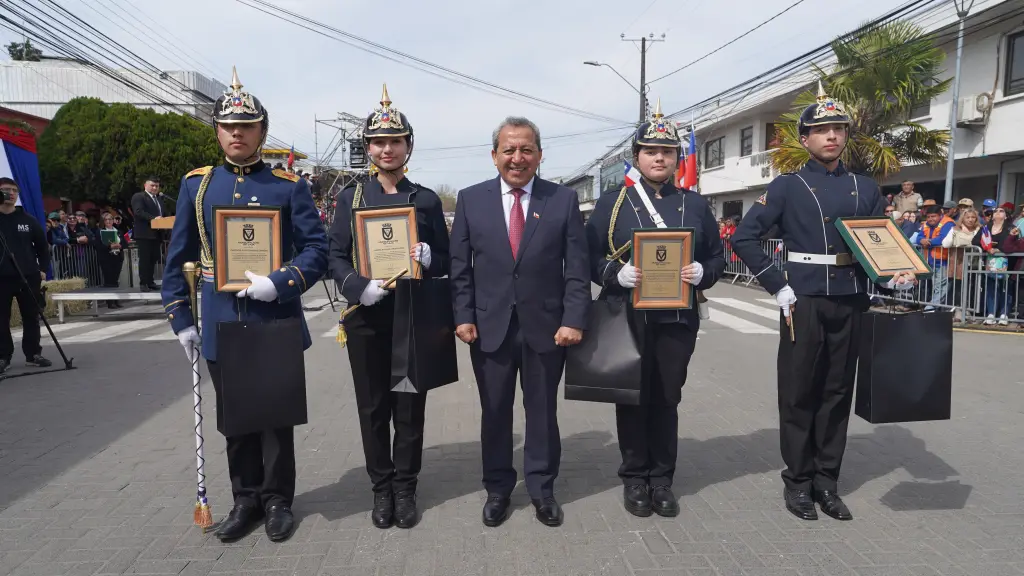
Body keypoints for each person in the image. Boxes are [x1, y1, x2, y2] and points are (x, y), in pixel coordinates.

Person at [731, 82, 917, 522]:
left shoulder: (864, 186)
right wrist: (778, 284)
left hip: (849, 297)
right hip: (804, 298)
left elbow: (878, 245)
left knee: (836, 393)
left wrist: (896, 278)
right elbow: (744, 237)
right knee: (799, 393)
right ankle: (797, 481)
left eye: (838, 128)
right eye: (821, 129)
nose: (831, 136)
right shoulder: (786, 187)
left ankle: (826, 482)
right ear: (806, 138)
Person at [160, 67, 327, 543]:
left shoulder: (287, 185)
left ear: (261, 131)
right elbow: (179, 255)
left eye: (246, 126)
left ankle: (277, 500)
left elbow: (314, 250)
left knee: (275, 414)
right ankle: (245, 498)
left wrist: (281, 282)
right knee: (235, 417)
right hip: (219, 318)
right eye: (228, 126)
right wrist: (179, 316)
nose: (237, 133)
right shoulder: (198, 186)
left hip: (272, 315)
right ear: (217, 131)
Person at [584, 101, 726, 518]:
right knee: (631, 396)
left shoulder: (696, 205)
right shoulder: (613, 203)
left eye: (666, 151)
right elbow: (587, 257)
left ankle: (662, 478)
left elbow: (717, 257)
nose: (659, 157)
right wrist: (613, 274)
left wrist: (704, 272)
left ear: (676, 158)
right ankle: (634, 478)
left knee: (666, 397)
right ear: (637, 157)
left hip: (676, 319)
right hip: (625, 315)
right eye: (650, 150)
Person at [450, 116, 590, 528]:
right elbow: (460, 267)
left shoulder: (562, 200)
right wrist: (462, 316)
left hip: (547, 329)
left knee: (542, 412)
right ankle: (497, 489)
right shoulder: (470, 200)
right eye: (509, 150)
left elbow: (577, 269)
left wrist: (573, 319)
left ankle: (542, 490)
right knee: (494, 411)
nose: (517, 158)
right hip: (489, 328)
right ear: (494, 156)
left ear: (539, 155)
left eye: (526, 149)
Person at [327, 85, 449, 529]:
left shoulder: (427, 200)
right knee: (373, 408)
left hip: (412, 316)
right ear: (368, 148)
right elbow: (334, 254)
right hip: (368, 319)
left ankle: (405, 488)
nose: (386, 148)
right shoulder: (351, 199)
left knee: (410, 408)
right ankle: (381, 490)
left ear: (408, 145)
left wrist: (432, 259)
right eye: (378, 142)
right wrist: (358, 286)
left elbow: (449, 260)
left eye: (395, 140)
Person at [0, 177, 52, 373]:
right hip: (2, 278)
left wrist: (43, 269)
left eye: (14, 190)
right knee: (1, 319)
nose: (11, 193)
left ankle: (33, 354)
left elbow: (42, 248)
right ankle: (3, 356)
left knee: (31, 316)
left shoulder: (27, 220)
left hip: (28, 276)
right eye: (6, 190)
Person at [130, 176, 173, 291]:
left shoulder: (158, 199)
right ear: (145, 185)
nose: (154, 188)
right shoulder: (139, 196)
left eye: (157, 186)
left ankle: (150, 281)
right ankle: (143, 283)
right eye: (152, 185)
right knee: (145, 259)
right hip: (144, 233)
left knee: (153, 258)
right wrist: (154, 219)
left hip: (156, 234)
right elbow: (139, 212)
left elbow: (162, 214)